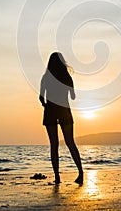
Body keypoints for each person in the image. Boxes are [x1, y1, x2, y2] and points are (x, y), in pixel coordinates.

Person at [39, 52, 83, 185]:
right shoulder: (67, 77)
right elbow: (73, 96)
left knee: (54, 145)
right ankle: (80, 173)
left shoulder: (46, 78)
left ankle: (57, 177)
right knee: (70, 142)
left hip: (51, 110)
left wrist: (45, 105)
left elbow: (41, 97)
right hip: (64, 110)